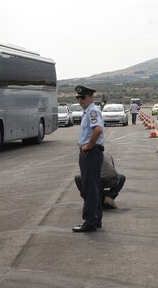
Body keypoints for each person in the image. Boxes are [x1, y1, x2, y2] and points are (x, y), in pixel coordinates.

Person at [73, 85, 105, 233]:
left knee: (89, 189)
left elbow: (98, 129)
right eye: (78, 97)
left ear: (91, 97)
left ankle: (89, 222)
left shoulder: (92, 111)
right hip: (91, 153)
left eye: (83, 97)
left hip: (91, 154)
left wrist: (88, 146)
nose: (80, 100)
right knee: (94, 188)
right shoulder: (88, 111)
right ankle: (96, 219)